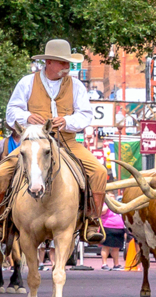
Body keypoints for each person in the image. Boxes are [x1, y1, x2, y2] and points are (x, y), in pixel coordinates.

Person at [0, 39, 107, 243]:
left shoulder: (76, 85)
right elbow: (11, 111)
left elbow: (85, 115)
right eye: (62, 62)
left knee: (99, 172)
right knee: (2, 173)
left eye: (68, 62)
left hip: (67, 142)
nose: (67, 66)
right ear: (48, 62)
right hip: (33, 143)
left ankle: (92, 221)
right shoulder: (27, 82)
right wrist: (27, 118)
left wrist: (67, 121)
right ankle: (2, 220)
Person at [100, 194, 125, 271]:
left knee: (116, 248)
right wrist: (108, 204)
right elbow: (101, 212)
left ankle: (116, 265)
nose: (112, 198)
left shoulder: (117, 205)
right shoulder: (104, 205)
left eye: (113, 197)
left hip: (119, 228)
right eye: (110, 197)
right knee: (106, 246)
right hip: (108, 227)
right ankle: (104, 264)